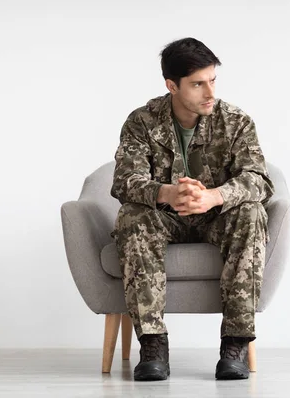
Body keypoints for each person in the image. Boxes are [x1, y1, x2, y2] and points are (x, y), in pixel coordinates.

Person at [110, 37, 274, 381]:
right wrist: (166, 192)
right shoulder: (142, 122)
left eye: (212, 80)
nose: (209, 92)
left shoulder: (235, 121)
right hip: (165, 218)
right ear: (172, 85)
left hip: (217, 217)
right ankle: (153, 344)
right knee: (132, 216)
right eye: (198, 84)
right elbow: (124, 181)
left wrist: (214, 196)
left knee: (251, 212)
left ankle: (234, 345)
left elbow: (259, 180)